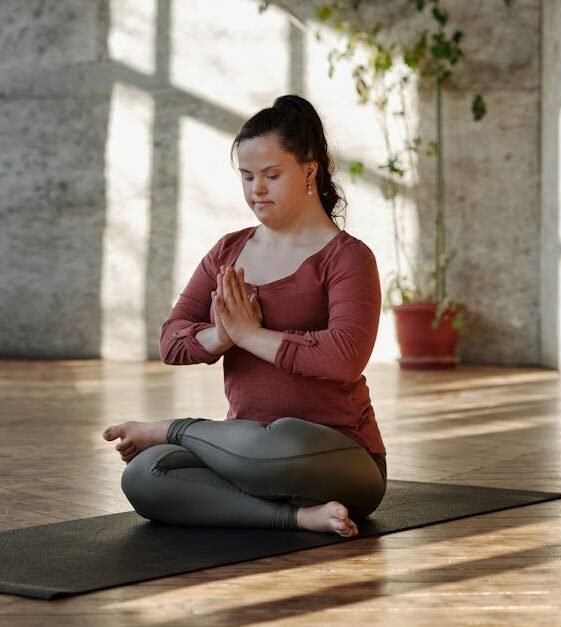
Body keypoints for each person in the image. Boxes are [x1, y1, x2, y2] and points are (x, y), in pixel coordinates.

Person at [103, 94, 386, 537]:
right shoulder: (228, 251)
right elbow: (172, 341)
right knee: (144, 475)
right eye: (247, 176)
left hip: (336, 455)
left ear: (310, 170)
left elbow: (343, 357)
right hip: (243, 447)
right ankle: (296, 517)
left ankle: (172, 430)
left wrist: (250, 334)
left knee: (281, 440)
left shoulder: (348, 258)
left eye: (272, 175)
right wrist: (220, 337)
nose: (257, 190)